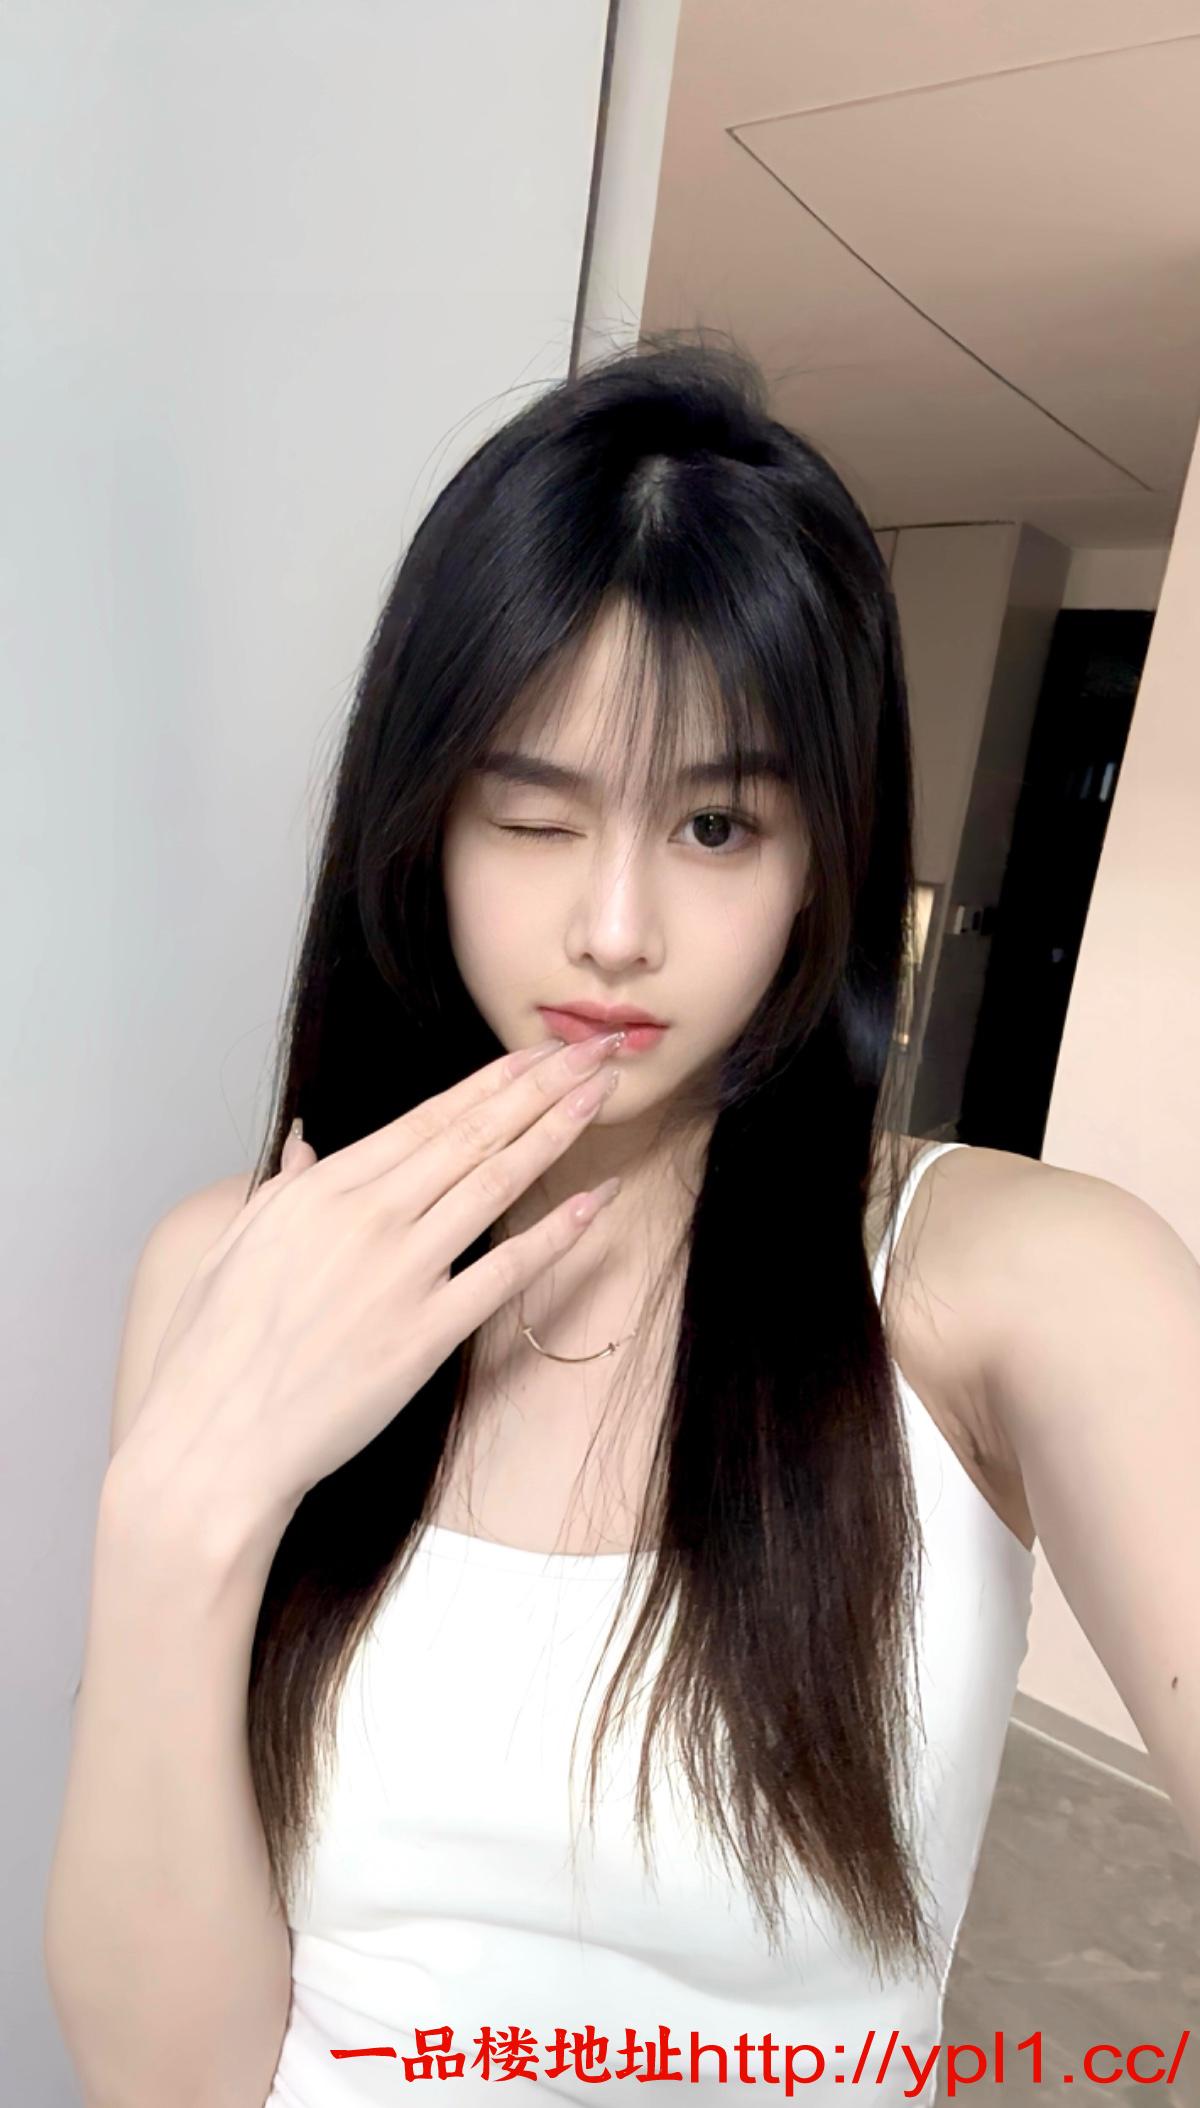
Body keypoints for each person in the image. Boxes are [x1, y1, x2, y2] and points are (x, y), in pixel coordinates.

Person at [44, 337, 1200, 2107]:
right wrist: (174, 1525)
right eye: (533, 814)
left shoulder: (1009, 1286)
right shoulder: (231, 1270)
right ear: (422, 827)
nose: (614, 927)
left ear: (826, 859)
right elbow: (167, 2080)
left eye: (717, 824)